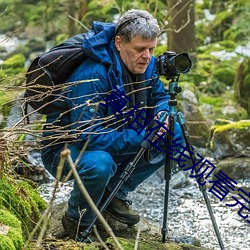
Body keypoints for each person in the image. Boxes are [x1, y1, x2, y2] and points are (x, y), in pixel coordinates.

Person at [41, 9, 185, 241]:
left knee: (174, 133)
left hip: (115, 134)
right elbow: (87, 136)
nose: (147, 56)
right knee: (100, 164)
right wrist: (143, 137)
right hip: (66, 149)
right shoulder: (92, 75)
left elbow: (159, 97)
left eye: (152, 49)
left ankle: (114, 193)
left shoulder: (145, 65)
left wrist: (161, 116)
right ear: (119, 43)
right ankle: (76, 221)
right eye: (140, 49)